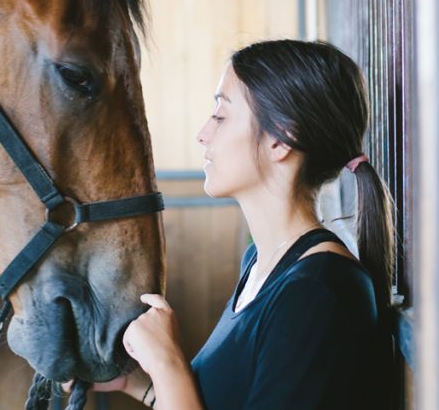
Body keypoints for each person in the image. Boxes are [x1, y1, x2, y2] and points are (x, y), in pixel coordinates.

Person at [89, 39, 395, 409]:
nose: (203, 133)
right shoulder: (261, 263)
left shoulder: (317, 292)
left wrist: (167, 364)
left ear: (283, 139)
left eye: (220, 116)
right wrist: (141, 385)